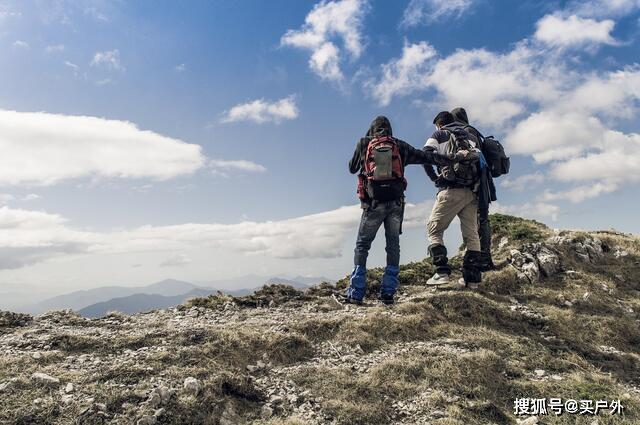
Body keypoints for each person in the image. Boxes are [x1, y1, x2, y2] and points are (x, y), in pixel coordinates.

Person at [344, 115, 457, 305]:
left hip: (373, 204)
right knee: (393, 246)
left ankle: (356, 293)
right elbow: (426, 157)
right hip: (396, 204)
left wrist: (364, 145)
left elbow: (351, 168)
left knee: (363, 245)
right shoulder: (399, 145)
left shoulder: (365, 143)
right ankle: (388, 293)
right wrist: (452, 159)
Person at [423, 111, 483, 288]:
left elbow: (426, 155)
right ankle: (472, 279)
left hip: (450, 190)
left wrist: (435, 178)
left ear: (439, 124)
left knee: (434, 229)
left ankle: (441, 273)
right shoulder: (471, 137)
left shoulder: (439, 134)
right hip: (472, 191)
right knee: (471, 233)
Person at [451, 107, 497, 271]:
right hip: (483, 182)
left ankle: (479, 260)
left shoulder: (463, 132)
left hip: (473, 184)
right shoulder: (474, 131)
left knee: (476, 221)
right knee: (482, 220)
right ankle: (485, 259)